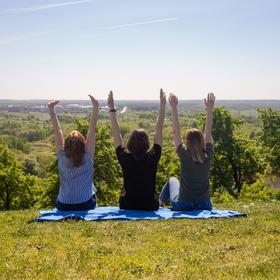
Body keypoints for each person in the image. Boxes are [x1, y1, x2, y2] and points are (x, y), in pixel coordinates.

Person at [108, 89, 166, 210]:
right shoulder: (153, 157)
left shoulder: (124, 158)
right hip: (149, 205)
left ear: (130, 143)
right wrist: (162, 106)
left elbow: (116, 132)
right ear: (147, 143)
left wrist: (112, 108)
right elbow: (159, 129)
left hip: (128, 205)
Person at [159, 92, 215, 211]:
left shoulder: (184, 155)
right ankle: (160, 203)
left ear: (187, 141)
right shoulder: (208, 155)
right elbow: (208, 131)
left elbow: (175, 131)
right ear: (202, 141)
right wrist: (209, 109)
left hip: (184, 205)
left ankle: (160, 203)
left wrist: (174, 108)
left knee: (172, 180)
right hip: (205, 205)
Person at [48, 95, 99, 211]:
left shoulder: (61, 156)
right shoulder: (88, 156)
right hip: (85, 204)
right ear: (83, 144)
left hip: (63, 205)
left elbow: (58, 131)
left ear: (65, 146)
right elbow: (92, 129)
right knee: (92, 190)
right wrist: (95, 107)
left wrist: (51, 110)